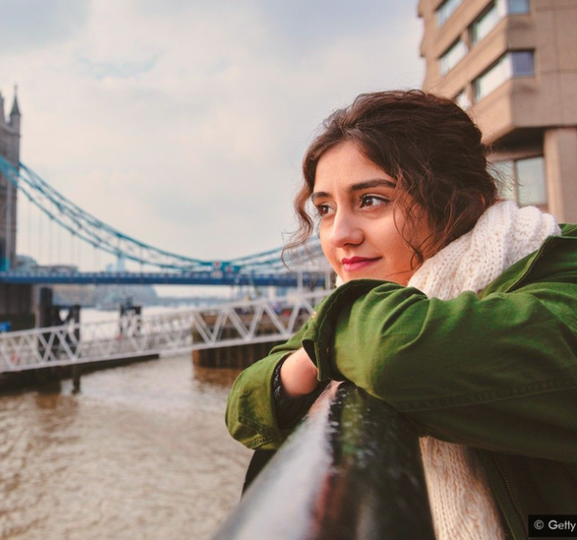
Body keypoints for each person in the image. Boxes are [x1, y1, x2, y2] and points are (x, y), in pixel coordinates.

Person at [225, 90, 577, 540]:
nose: (339, 236)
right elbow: (245, 403)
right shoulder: (374, 304)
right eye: (326, 209)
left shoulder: (561, 271)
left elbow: (392, 354)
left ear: (452, 197)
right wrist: (312, 352)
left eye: (371, 200)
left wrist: (330, 335)